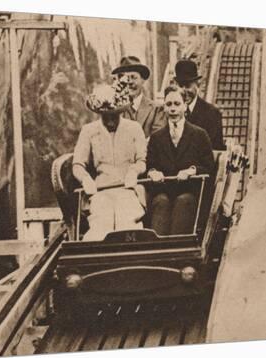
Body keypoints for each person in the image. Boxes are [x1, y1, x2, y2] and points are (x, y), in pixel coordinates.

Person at [73, 82, 147, 241]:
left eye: (115, 115)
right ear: (99, 114)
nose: (110, 120)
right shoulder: (89, 131)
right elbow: (77, 164)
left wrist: (134, 171)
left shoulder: (134, 128)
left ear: (121, 112)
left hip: (127, 189)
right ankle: (99, 263)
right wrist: (85, 179)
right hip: (101, 191)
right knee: (100, 225)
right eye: (106, 116)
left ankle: (131, 260)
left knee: (127, 224)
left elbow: (142, 160)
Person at [146, 85, 215, 236]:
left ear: (185, 106)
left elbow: (209, 166)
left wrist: (192, 171)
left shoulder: (199, 135)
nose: (172, 109)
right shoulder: (156, 138)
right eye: (168, 104)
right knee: (160, 202)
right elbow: (150, 165)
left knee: (184, 201)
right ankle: (156, 250)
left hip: (190, 191)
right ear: (164, 107)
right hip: (164, 190)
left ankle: (178, 249)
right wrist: (152, 172)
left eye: (177, 104)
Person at [174, 59, 225, 150]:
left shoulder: (212, 114)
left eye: (188, 86)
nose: (184, 91)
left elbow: (215, 150)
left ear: (198, 84)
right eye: (181, 86)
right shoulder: (169, 111)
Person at [111, 56, 165, 138]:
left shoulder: (156, 109)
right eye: (126, 79)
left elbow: (157, 141)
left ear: (142, 80)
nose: (130, 82)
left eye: (134, 77)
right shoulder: (114, 111)